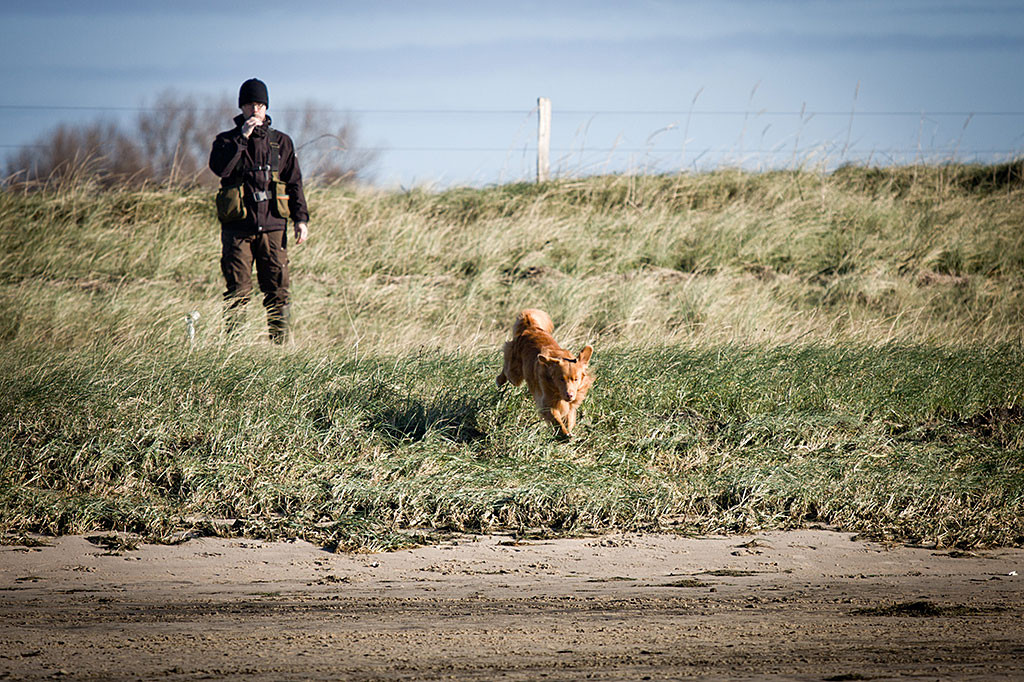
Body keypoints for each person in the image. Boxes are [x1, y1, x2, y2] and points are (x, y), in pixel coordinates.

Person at [209, 78, 309, 343]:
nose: (256, 109)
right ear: (241, 108)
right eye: (251, 104)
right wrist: (242, 139)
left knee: (278, 290)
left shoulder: (282, 143)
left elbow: (295, 183)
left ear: (266, 108)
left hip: (274, 227)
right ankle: (233, 350)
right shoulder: (225, 141)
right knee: (238, 291)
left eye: (261, 104)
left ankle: (279, 348)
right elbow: (222, 170)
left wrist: (301, 219)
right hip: (238, 229)